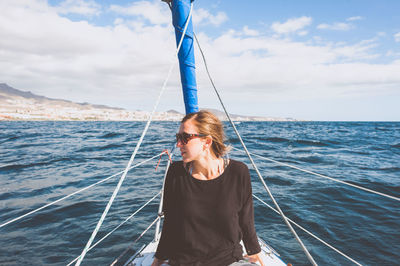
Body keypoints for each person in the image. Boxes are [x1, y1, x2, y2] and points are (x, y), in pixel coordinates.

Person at [152, 110, 264, 266]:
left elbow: (246, 220)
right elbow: (170, 224)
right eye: (178, 138)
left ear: (207, 142)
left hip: (228, 261)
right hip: (184, 262)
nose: (178, 144)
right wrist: (158, 260)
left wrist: (255, 252)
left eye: (185, 138)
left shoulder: (239, 172)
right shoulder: (175, 173)